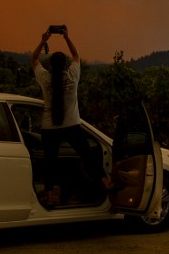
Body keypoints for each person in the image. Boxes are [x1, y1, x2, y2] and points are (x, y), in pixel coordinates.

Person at [30, 26, 111, 206]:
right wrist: (67, 37)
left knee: (50, 162)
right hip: (72, 125)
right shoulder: (73, 76)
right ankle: (106, 182)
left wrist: (44, 40)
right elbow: (77, 56)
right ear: (65, 64)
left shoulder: (45, 78)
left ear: (50, 65)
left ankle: (50, 196)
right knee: (87, 154)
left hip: (49, 128)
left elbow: (34, 59)